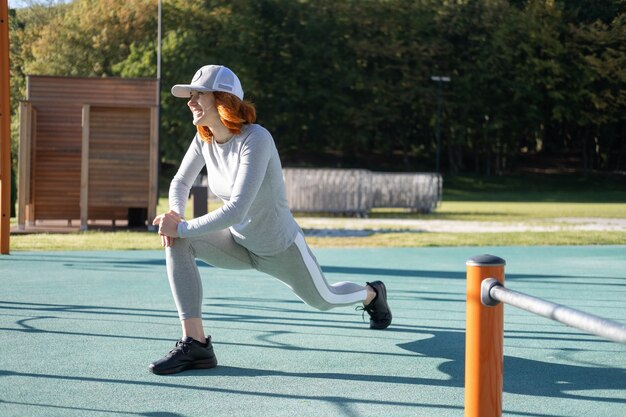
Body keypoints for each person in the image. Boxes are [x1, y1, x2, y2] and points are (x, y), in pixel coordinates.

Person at [149, 65, 391, 375]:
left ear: (222, 98)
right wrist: (175, 215)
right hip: (238, 245)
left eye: (198, 94)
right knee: (177, 241)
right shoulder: (203, 139)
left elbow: (237, 208)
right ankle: (195, 344)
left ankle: (372, 294)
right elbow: (180, 183)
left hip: (281, 249)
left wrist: (180, 226)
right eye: (190, 95)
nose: (190, 101)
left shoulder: (256, 138)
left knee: (325, 299)